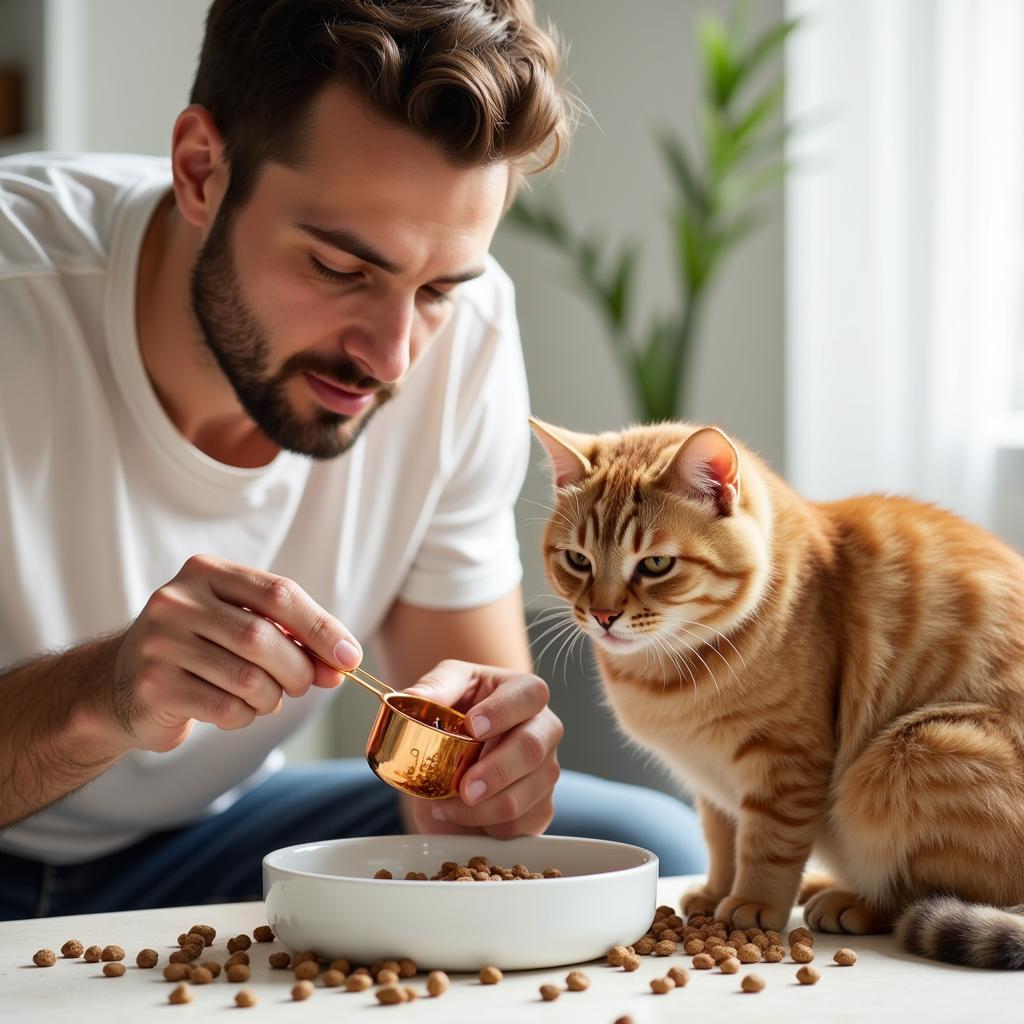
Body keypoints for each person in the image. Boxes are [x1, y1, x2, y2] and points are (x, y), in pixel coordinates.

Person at [0, 0, 706, 921]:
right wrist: (100, 694)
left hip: (213, 838)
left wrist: (479, 778)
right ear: (202, 170)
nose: (394, 357)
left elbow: (470, 779)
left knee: (662, 850)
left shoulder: (471, 337)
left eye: (441, 288)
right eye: (340, 269)